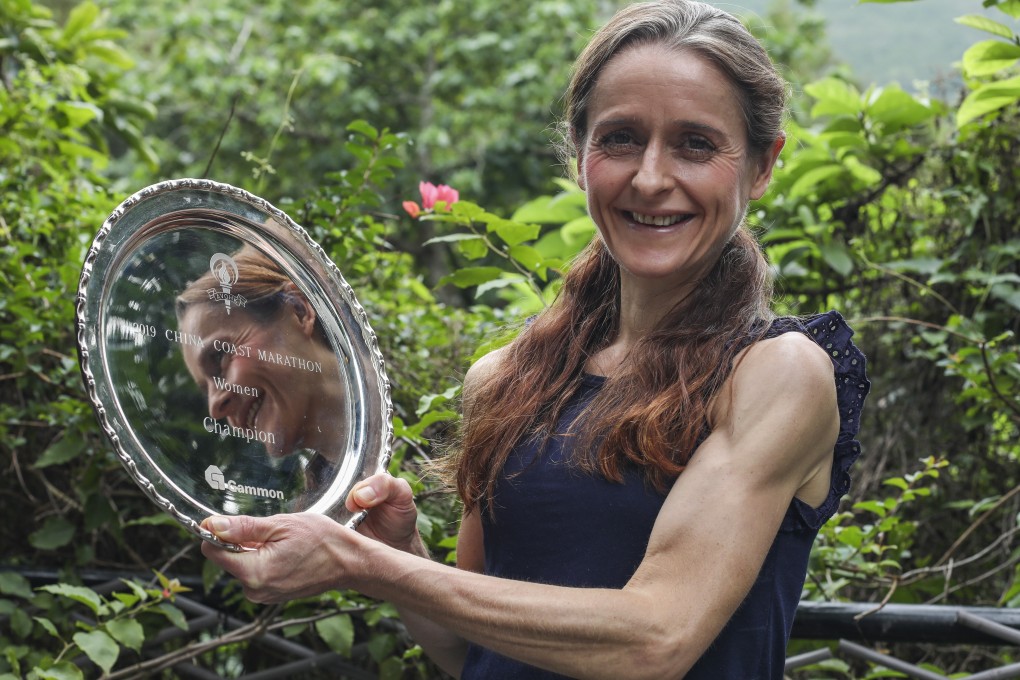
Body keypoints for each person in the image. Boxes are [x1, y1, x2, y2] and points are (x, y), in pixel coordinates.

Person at [199, 1, 870, 677]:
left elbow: (656, 637)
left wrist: (360, 562)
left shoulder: (777, 375)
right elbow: (474, 652)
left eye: (696, 144)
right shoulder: (508, 379)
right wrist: (399, 555)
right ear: (579, 156)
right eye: (621, 139)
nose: (651, 177)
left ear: (761, 165)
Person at [176, 247, 347, 492]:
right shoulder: (322, 513)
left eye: (220, 356)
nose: (215, 408)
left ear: (298, 310)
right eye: (206, 391)